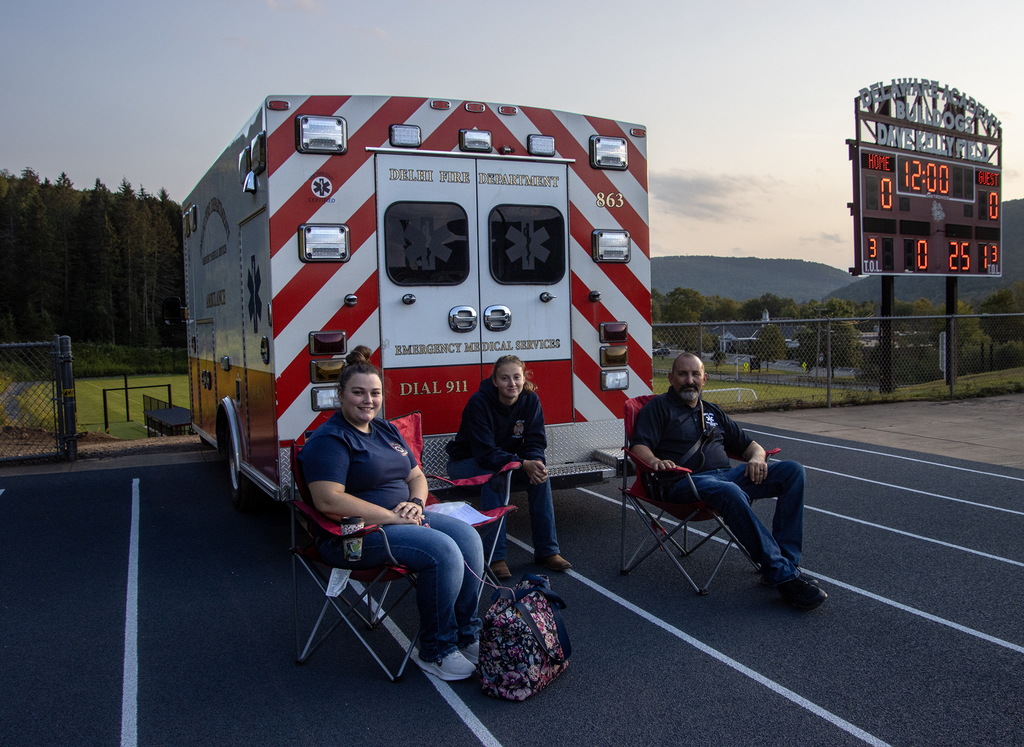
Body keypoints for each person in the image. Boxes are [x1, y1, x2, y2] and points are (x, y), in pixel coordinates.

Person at [298, 347, 484, 680]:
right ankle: (437, 650)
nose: (367, 400)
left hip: (404, 518)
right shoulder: (331, 440)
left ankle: (466, 634)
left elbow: (416, 476)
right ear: (339, 395)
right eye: (358, 393)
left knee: (467, 537)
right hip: (355, 536)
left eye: (374, 393)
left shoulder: (385, 431)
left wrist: (417, 502)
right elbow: (328, 501)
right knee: (442, 551)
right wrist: (392, 517)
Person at [629, 352, 827, 612]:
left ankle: (786, 564)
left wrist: (757, 458)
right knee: (729, 490)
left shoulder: (712, 411)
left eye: (695, 374)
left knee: (793, 471)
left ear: (704, 379)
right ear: (670, 377)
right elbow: (639, 445)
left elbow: (750, 446)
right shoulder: (658, 408)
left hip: (726, 477)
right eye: (683, 374)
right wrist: (655, 461)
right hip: (684, 483)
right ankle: (784, 575)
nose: (689, 380)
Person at [446, 355, 570, 581]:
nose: (511, 383)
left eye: (516, 377)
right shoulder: (479, 403)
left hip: (508, 461)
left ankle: (547, 551)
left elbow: (535, 441)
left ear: (524, 378)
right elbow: (484, 453)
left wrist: (536, 464)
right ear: (494, 381)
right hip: (466, 463)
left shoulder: (530, 400)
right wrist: (522, 464)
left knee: (541, 478)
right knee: (497, 478)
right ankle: (495, 556)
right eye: (505, 378)